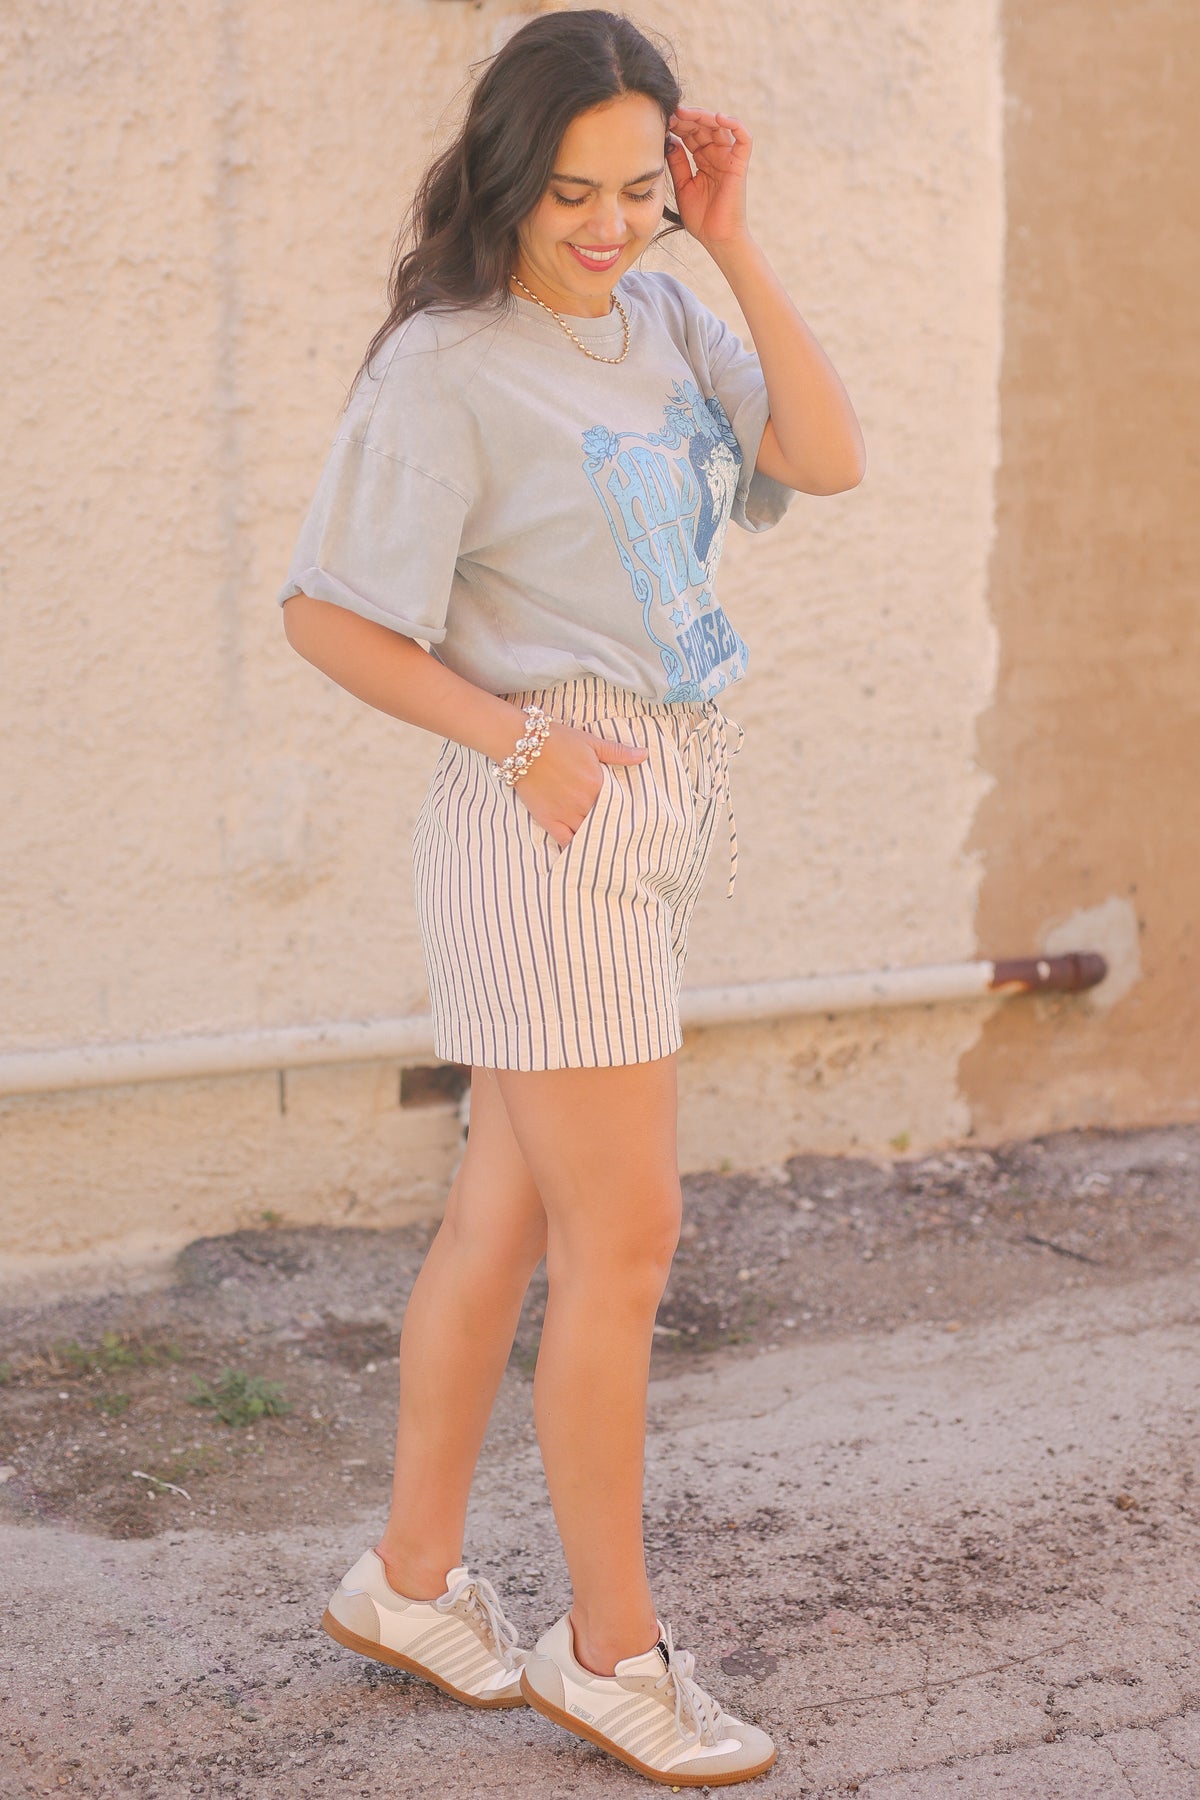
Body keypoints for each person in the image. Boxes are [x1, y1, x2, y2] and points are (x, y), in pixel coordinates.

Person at [277, 9, 864, 1787]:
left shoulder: (673, 307)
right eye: (566, 191)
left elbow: (823, 460)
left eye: (635, 189)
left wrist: (734, 239)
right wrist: (516, 739)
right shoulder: (448, 365)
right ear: (501, 175)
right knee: (630, 1240)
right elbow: (327, 611)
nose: (601, 224)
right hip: (547, 805)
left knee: (509, 1220)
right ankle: (612, 1654)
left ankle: (409, 1582)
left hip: (637, 798)